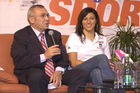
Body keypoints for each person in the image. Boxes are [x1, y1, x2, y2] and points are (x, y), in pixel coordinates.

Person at [11, 5, 86, 93]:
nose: (47, 19)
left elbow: (64, 57)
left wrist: (59, 71)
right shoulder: (21, 35)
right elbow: (19, 61)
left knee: (80, 73)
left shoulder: (54, 34)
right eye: (43, 16)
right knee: (37, 75)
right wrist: (44, 56)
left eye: (47, 15)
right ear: (32, 20)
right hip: (33, 72)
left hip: (54, 74)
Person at [66, 7, 124, 93]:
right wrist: (96, 63)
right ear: (81, 22)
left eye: (91, 18)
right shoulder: (74, 37)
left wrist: (104, 66)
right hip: (79, 72)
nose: (88, 22)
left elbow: (107, 63)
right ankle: (116, 90)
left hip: (94, 72)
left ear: (96, 21)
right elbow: (73, 63)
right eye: (85, 19)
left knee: (96, 72)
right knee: (101, 58)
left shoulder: (103, 39)